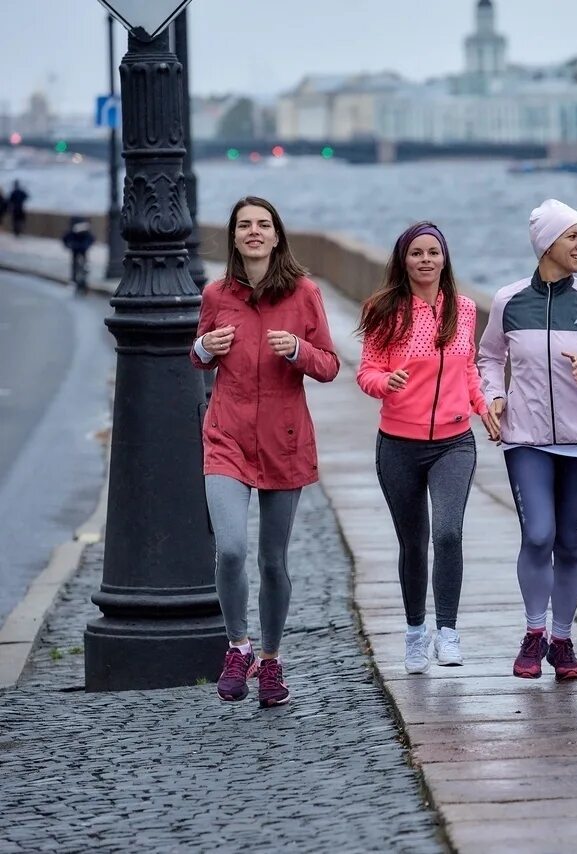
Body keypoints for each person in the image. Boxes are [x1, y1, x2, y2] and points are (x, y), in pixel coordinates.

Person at [191, 196, 340, 706]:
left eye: (263, 225)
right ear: (234, 237)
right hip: (226, 435)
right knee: (230, 549)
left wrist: (298, 351)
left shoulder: (304, 293)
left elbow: (329, 365)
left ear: (277, 236)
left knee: (272, 561)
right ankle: (238, 647)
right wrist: (204, 349)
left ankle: (271, 663)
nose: (254, 232)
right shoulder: (216, 293)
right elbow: (197, 354)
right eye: (244, 225)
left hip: (284, 439)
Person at [478, 199, 577, 681]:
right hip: (526, 438)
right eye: (574, 237)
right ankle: (533, 632)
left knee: (570, 544)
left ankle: (562, 640)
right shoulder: (508, 301)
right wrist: (495, 395)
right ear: (547, 243)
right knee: (538, 535)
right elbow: (487, 358)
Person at [356, 222, 499, 675]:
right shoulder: (384, 310)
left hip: (453, 443)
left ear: (444, 258)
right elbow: (366, 372)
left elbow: (469, 370)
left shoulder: (463, 309)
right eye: (416, 253)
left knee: (449, 534)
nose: (425, 260)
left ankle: (449, 632)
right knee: (413, 543)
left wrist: (482, 405)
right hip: (398, 444)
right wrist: (386, 382)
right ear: (403, 260)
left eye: (433, 252)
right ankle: (416, 633)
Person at [61, 216, 95, 295]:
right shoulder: (78, 226)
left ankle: (77, 279)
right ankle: (76, 279)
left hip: (80, 247)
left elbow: (90, 238)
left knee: (79, 263)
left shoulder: (78, 226)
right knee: (76, 263)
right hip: (78, 247)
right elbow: (66, 238)